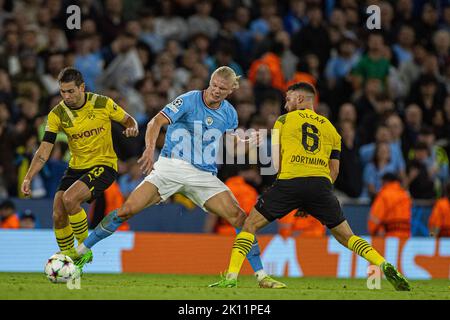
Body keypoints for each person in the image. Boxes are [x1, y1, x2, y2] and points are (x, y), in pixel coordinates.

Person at [65, 66, 286, 289]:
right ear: (210, 81)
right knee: (126, 210)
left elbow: (231, 147)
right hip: (171, 167)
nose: (216, 91)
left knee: (240, 218)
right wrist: (150, 149)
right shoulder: (189, 100)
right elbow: (155, 122)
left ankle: (260, 276)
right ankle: (80, 252)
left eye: (222, 89)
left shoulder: (229, 114)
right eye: (214, 85)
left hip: (203, 175)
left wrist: (248, 145)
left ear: (231, 90)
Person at [210, 82, 410, 291]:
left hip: (290, 181)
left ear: (299, 99)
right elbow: (334, 171)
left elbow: (277, 163)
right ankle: (383, 263)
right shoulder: (332, 130)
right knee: (348, 237)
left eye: (288, 99)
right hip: (321, 186)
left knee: (249, 226)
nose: (285, 105)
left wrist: (290, 192)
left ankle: (232, 276)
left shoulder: (283, 121)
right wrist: (313, 197)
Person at [20, 67, 139, 256]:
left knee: (69, 199)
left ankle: (84, 249)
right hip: (76, 167)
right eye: (62, 91)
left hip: (104, 165)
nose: (66, 96)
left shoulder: (102, 103)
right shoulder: (57, 114)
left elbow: (129, 120)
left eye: (70, 91)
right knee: (58, 214)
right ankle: (69, 258)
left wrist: (132, 127)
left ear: (81, 87)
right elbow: (44, 149)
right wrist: (28, 177)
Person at [368, 173, 412, 238]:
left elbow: (375, 218)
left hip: (389, 238)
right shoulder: (405, 195)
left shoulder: (384, 194)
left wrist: (377, 230)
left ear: (385, 182)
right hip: (406, 237)